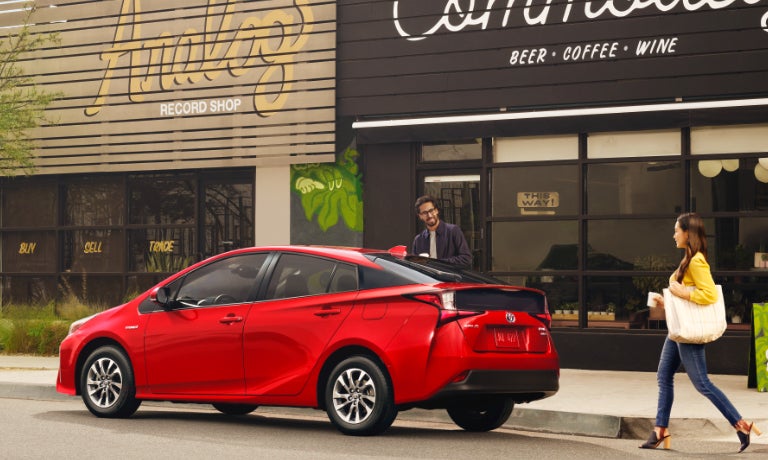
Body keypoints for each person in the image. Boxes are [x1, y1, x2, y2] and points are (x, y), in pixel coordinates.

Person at [640, 213, 761, 452]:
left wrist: (682, 294)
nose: (673, 234)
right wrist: (667, 302)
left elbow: (709, 295)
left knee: (702, 383)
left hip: (689, 331)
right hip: (678, 329)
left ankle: (741, 424)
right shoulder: (687, 259)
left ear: (688, 233)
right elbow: (686, 295)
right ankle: (660, 430)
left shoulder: (696, 261)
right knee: (664, 376)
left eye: (677, 230)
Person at [412, 195, 472, 267]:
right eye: (425, 213)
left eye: (431, 210)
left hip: (449, 277)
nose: (429, 215)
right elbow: (414, 266)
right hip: (426, 278)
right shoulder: (418, 240)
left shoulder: (453, 231)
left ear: (436, 210)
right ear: (420, 216)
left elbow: (466, 259)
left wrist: (438, 263)